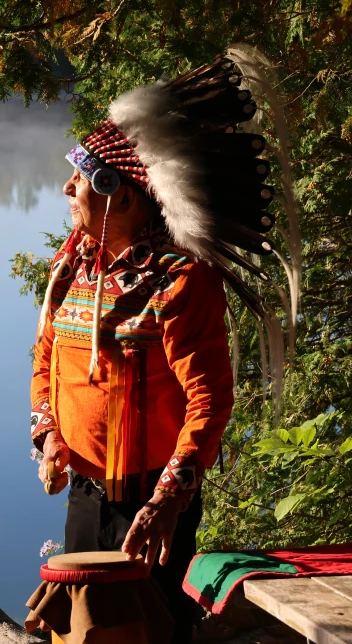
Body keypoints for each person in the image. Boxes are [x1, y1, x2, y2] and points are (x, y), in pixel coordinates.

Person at [28, 46, 300, 644]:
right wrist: (48, 432)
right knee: (83, 630)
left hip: (152, 499)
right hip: (84, 491)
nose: (67, 187)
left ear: (120, 194)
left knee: (152, 631)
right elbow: (46, 359)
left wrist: (167, 503)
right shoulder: (74, 268)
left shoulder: (181, 282)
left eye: (80, 178)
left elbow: (208, 401)